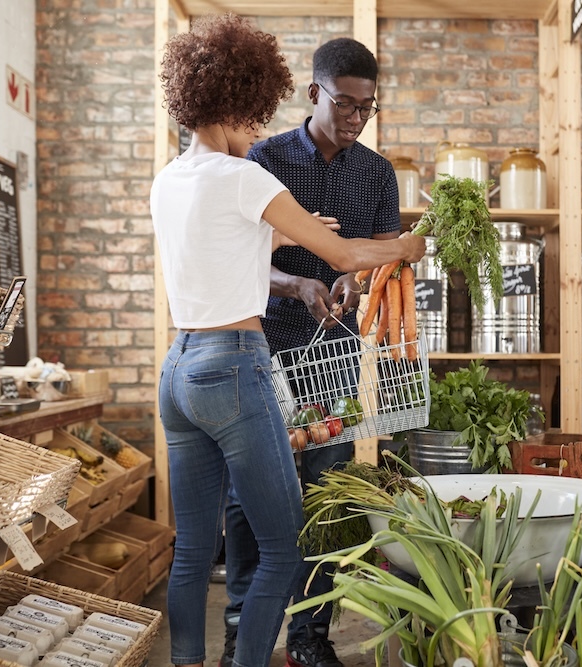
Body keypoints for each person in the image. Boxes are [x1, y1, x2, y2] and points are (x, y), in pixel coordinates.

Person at [151, 16, 424, 667]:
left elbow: (223, 245)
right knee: (280, 541)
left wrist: (292, 246)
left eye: (368, 106)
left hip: (181, 368)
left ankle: (242, 650)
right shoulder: (250, 171)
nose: (256, 125)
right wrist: (406, 245)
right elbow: (340, 248)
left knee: (193, 545)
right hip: (245, 362)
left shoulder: (169, 179)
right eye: (252, 111)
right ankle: (254, 651)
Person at [220, 37, 397, 667]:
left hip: (334, 361)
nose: (354, 118)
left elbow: (379, 258)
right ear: (314, 93)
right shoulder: (261, 161)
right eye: (344, 104)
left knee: (327, 498)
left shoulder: (377, 173)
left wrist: (358, 279)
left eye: (366, 108)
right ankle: (242, 635)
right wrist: (296, 281)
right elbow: (235, 260)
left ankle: (309, 638)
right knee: (249, 498)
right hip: (262, 351)